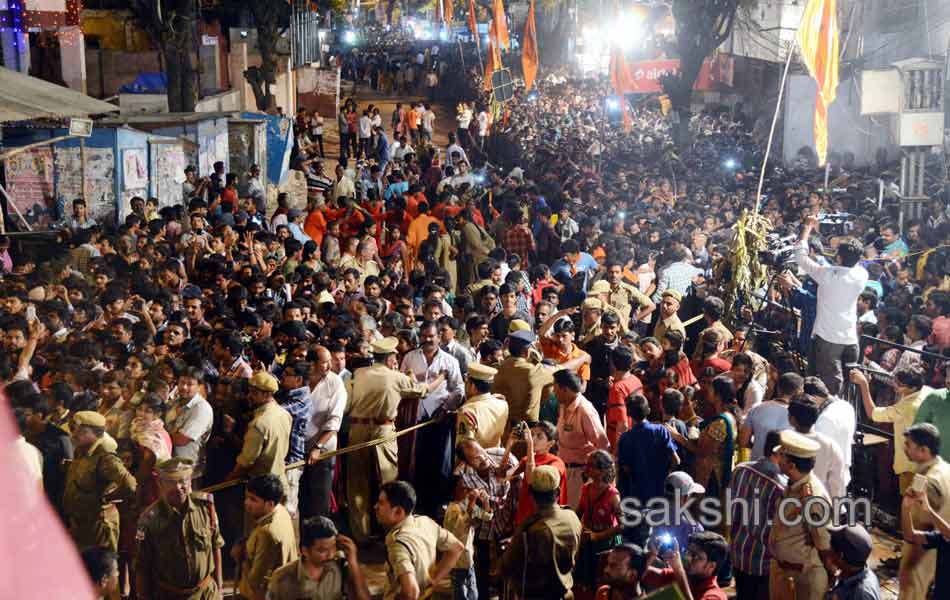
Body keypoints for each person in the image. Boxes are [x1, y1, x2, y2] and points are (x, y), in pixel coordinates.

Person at [346, 337, 438, 543]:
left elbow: (346, 404)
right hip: (383, 430)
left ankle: (361, 534)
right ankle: (392, 531)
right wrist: (440, 377)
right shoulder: (395, 377)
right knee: (389, 484)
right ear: (389, 358)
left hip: (357, 429)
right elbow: (423, 391)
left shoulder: (358, 374)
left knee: (357, 484)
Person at [794, 215, 868, 394]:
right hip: (850, 338)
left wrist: (806, 230)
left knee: (832, 386)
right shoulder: (861, 275)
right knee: (850, 384)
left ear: (839, 258)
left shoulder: (826, 274)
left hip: (829, 340)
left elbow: (801, 257)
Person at [135, 457, 224, 600]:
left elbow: (216, 546)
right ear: (160, 484)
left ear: (190, 482)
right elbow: (142, 566)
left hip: (206, 594)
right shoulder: (149, 520)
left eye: (183, 481)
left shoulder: (206, 508)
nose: (178, 487)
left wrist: (219, 589)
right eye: (170, 482)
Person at [499, 465, 583, 599]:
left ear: (531, 493)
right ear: (558, 492)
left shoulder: (530, 530)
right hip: (566, 593)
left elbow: (505, 567)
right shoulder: (572, 517)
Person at [767, 430, 833, 600]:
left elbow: (824, 545)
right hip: (783, 573)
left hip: (802, 580)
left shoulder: (813, 498)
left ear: (791, 466)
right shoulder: (793, 485)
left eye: (781, 455)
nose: (777, 458)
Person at [376, 480, 465, 600]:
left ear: (398, 512)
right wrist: (434, 580)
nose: (375, 507)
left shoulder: (398, 544)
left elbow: (411, 592)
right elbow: (457, 548)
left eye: (381, 503)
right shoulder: (425, 522)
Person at [851, 366, 933, 494]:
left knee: (910, 503)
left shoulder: (908, 406)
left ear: (913, 388)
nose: (895, 386)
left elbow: (872, 413)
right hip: (927, 461)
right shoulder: (928, 391)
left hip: (911, 467)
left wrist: (863, 384)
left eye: (899, 385)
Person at [64, 411, 137, 552]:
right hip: (80, 523)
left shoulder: (105, 457)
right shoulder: (81, 450)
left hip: (98, 526)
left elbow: (130, 485)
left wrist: (106, 499)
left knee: (100, 569)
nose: (75, 434)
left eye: (82, 431)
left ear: (96, 433)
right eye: (74, 429)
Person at [729, 430, 786, 600]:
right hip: (763, 564)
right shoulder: (780, 487)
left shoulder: (740, 470)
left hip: (738, 554)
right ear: (778, 453)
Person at [896, 423, 950, 600]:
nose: (905, 448)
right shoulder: (945, 468)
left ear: (923, 450)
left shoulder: (928, 482)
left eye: (909, 445)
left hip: (921, 557)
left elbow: (920, 525)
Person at [227, 371, 292, 509]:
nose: (250, 396)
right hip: (280, 481)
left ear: (267, 394)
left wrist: (232, 476)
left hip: (261, 491)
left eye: (254, 393)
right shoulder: (284, 414)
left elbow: (247, 460)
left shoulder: (259, 424)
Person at [267, 516, 371, 600]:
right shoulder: (283, 577)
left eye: (333, 548)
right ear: (305, 551)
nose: (330, 555)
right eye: (322, 550)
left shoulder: (341, 568)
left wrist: (352, 560)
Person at [235, 474, 298, 600]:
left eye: (253, 499)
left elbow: (255, 581)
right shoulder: (280, 509)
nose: (246, 503)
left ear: (269, 503)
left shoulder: (267, 533)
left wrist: (241, 557)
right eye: (247, 497)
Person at [302, 345, 347, 520]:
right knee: (302, 499)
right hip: (299, 451)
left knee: (319, 500)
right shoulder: (301, 379)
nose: (330, 366)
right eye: (325, 362)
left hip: (323, 452)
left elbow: (334, 421)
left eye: (330, 361)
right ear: (311, 364)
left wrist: (318, 447)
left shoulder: (335, 383)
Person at [554, 368, 609, 507]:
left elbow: (602, 444)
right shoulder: (563, 406)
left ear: (565, 389)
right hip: (564, 470)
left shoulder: (585, 411)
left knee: (574, 514)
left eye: (555, 389)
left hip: (580, 475)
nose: (554, 393)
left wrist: (594, 475)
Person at [616, 393, 679, 507]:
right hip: (661, 493)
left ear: (629, 414)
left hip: (638, 496)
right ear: (648, 410)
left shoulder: (625, 438)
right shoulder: (661, 431)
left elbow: (625, 468)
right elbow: (676, 461)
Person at [641, 531, 729, 600]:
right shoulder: (678, 577)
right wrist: (652, 554)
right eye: (688, 552)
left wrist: (679, 570)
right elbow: (635, 573)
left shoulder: (716, 596)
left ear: (711, 566)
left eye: (696, 556)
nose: (688, 558)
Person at [456, 363, 509, 448]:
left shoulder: (467, 411)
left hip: (475, 459)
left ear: (473, 386)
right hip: (494, 457)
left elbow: (465, 447)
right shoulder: (502, 403)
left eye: (466, 382)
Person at [825, 525, 881, 600]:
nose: (829, 549)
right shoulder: (851, 574)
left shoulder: (861, 594)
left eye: (832, 547)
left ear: (841, 556)